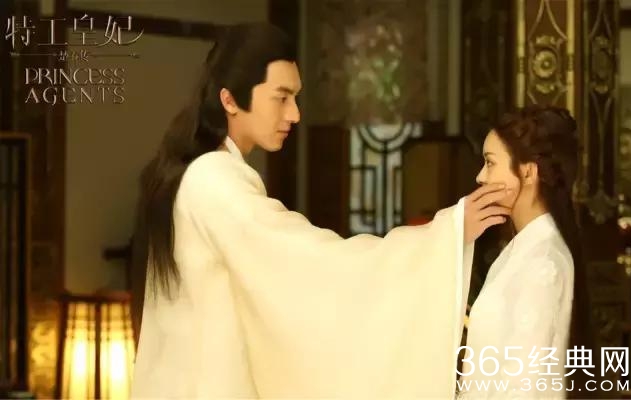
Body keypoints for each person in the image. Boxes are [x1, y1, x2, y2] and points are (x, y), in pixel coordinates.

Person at [130, 23, 510, 399]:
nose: (295, 114)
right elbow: (312, 264)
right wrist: (445, 235)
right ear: (230, 100)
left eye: (295, 97)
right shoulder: (214, 180)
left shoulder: (207, 174)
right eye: (281, 98)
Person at [457, 106, 591, 399]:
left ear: (528, 172)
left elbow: (524, 384)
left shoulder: (543, 262)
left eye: (490, 163)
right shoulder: (521, 249)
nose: (481, 177)